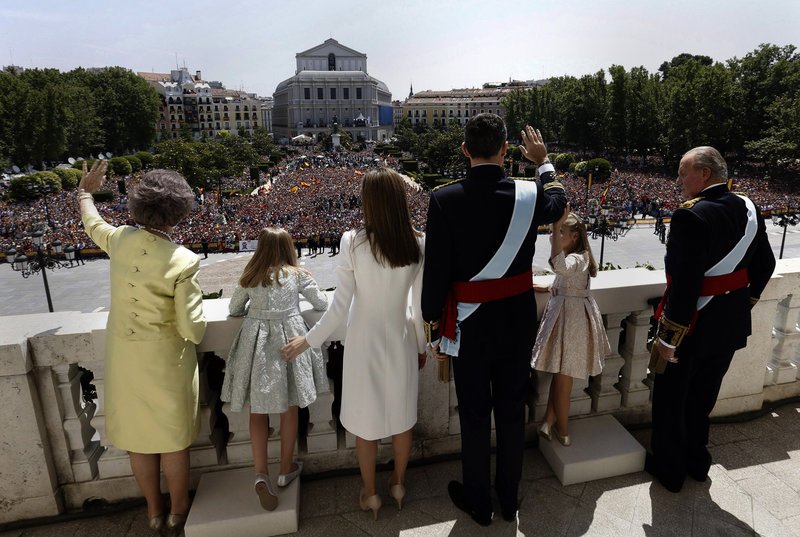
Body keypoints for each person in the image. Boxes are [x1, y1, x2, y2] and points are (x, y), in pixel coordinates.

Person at [421, 115, 567, 525]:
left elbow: (435, 274)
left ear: (465, 150)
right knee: (509, 410)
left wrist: (434, 326)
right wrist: (543, 162)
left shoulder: (444, 199)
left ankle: (478, 502)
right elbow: (558, 201)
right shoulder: (527, 193)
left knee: (472, 414)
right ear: (506, 150)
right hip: (517, 320)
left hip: (468, 326)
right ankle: (508, 498)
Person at [281, 168, 426, 520]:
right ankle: (398, 483)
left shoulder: (353, 242)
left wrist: (309, 340)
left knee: (366, 423)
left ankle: (371, 492)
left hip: (363, 341)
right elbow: (419, 308)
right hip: (403, 336)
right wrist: (421, 346)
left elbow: (338, 308)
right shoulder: (419, 241)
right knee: (402, 419)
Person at [77, 163, 206, 535]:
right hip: (164, 361)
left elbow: (92, 223)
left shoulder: (120, 239)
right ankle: (178, 510)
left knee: (139, 442)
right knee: (172, 443)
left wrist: (86, 192)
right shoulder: (183, 260)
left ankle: (153, 511)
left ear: (136, 206)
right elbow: (193, 328)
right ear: (180, 212)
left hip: (125, 360)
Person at [647, 146, 775, 493]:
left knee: (672, 399)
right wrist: (739, 304)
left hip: (691, 326)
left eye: (682, 171)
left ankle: (670, 470)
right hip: (729, 324)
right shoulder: (748, 207)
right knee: (703, 398)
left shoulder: (691, 215)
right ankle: (697, 462)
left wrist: (668, 337)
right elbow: (765, 265)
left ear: (704, 174)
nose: (678, 179)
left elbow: (685, 284)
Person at [221, 227, 328, 510]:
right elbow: (322, 302)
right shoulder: (297, 275)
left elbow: (233, 308)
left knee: (258, 411)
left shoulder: (251, 275)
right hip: (289, 344)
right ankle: (285, 469)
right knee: (290, 407)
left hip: (256, 346)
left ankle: (260, 474)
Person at [532, 207, 610, 446]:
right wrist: (549, 287)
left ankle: (562, 430)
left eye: (561, 232)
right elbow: (562, 278)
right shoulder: (580, 255)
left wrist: (554, 227)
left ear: (575, 236)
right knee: (562, 374)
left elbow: (560, 268)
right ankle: (549, 420)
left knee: (563, 377)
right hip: (570, 319)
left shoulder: (578, 257)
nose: (554, 236)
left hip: (571, 322)